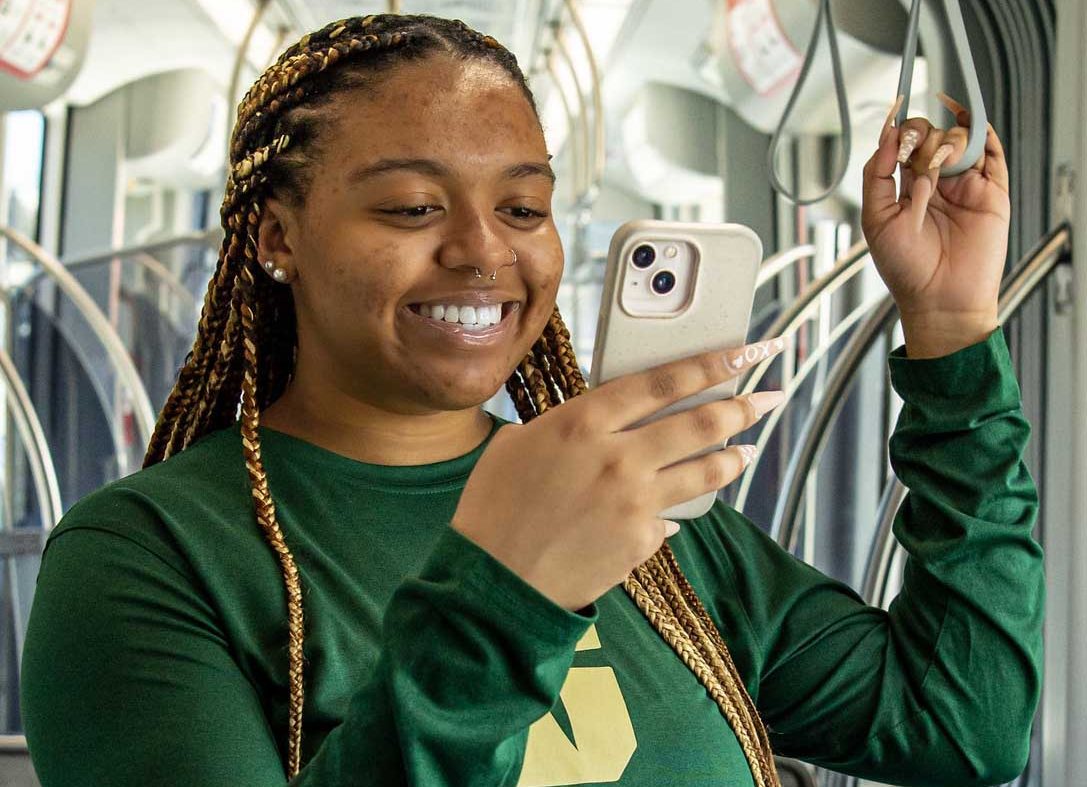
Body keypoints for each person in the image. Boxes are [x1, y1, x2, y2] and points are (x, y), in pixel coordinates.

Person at [19, 13, 1042, 787]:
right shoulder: (145, 559)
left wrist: (950, 333)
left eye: (523, 207)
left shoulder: (639, 512)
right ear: (274, 238)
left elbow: (965, 723)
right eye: (413, 206)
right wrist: (506, 590)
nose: (481, 251)